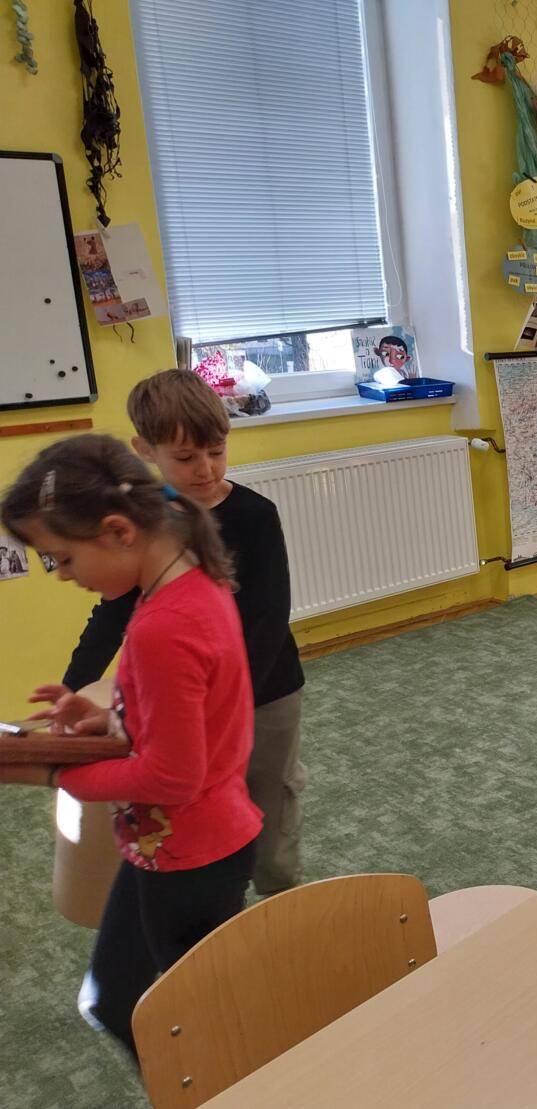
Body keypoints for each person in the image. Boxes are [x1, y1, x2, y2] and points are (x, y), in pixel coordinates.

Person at [0, 434, 260, 1058]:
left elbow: (173, 776)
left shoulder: (163, 626)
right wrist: (108, 718)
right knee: (113, 999)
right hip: (181, 845)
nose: (64, 576)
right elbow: (187, 720)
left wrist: (55, 774)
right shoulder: (189, 584)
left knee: (195, 1018)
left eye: (62, 558)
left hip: (191, 855)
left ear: (118, 531)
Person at [61, 369, 305, 896]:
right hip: (181, 703)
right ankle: (223, 911)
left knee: (270, 806)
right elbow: (112, 612)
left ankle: (280, 901)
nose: (207, 469)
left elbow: (269, 619)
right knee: (200, 818)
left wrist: (229, 703)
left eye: (216, 452)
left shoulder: (256, 516)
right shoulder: (142, 523)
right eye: (187, 457)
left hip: (265, 696)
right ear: (145, 451)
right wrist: (72, 685)